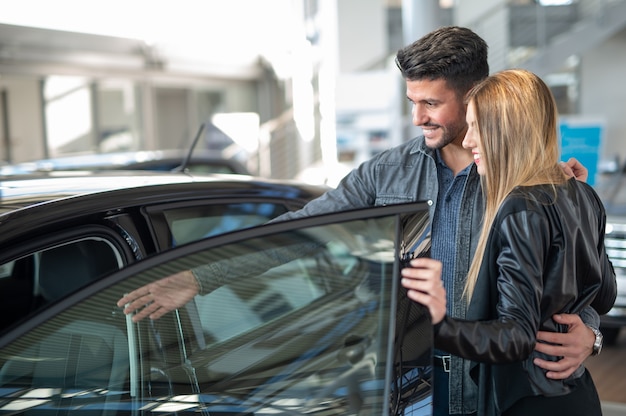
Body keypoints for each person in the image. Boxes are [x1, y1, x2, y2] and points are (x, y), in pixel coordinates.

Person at [118, 26, 600, 415]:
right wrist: (201, 276)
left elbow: (577, 281)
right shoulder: (387, 173)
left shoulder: (527, 184)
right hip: (419, 392)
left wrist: (591, 333)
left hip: (505, 392)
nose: (417, 118)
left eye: (431, 103)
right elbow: (303, 233)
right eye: (412, 102)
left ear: (476, 97)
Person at [400, 69, 616, 416]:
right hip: (576, 396)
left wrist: (438, 325)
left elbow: (515, 338)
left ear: (506, 131)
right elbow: (604, 295)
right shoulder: (583, 194)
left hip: (527, 403)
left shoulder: (519, 207)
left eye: (476, 127)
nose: (468, 141)